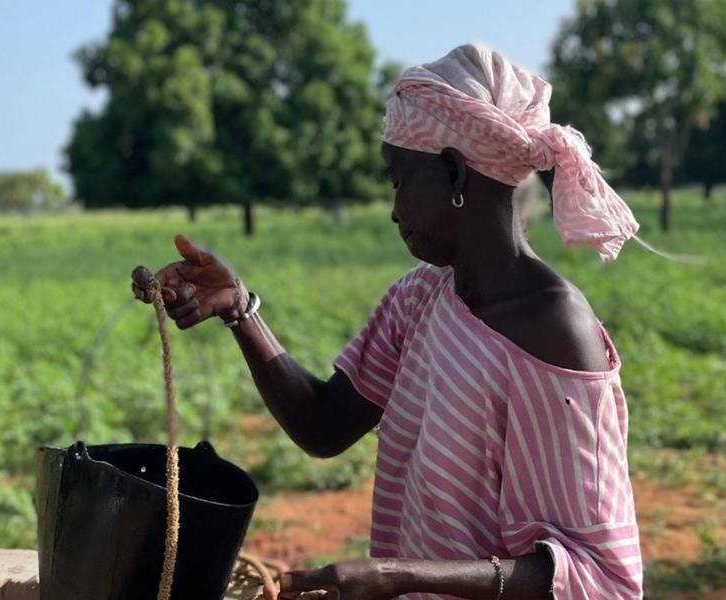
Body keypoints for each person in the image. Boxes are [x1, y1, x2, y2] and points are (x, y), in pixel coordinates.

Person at [134, 45, 643, 599]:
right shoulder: (422, 297)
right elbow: (324, 425)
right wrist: (238, 308)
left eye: (399, 180)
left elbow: (602, 579)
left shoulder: (553, 330)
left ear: (452, 172)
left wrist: (398, 575)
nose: (394, 209)